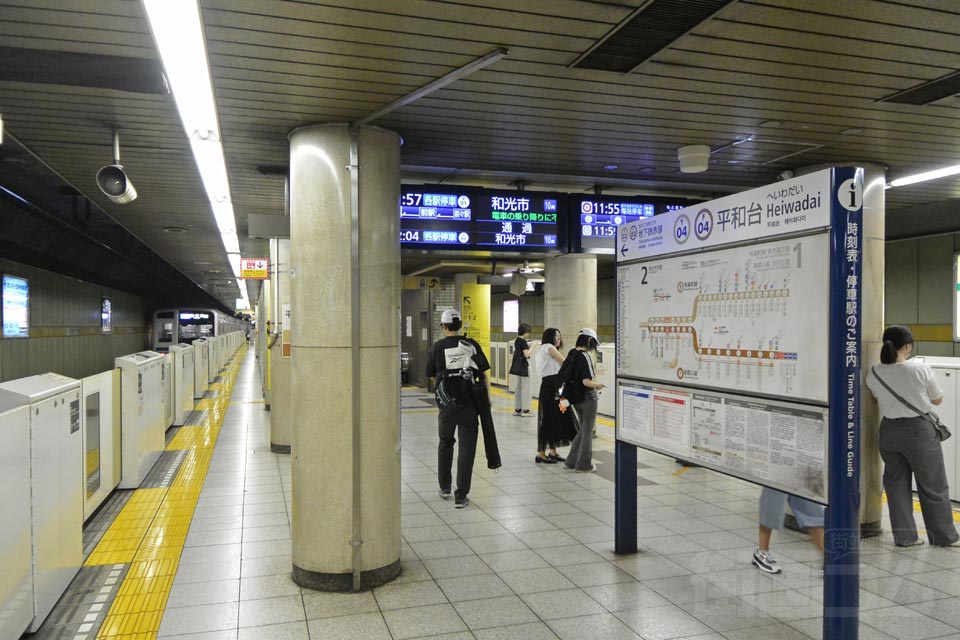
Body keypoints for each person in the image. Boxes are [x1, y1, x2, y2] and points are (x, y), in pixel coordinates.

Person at [865, 325, 959, 547]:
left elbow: (878, 399)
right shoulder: (918, 369)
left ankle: (905, 538)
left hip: (888, 431)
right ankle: (943, 537)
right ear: (907, 346)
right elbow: (937, 400)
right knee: (932, 485)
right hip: (918, 432)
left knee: (896, 486)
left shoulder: (874, 372)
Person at [425, 308, 491, 509]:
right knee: (467, 448)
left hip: (447, 406)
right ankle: (461, 496)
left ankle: (444, 487)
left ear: (444, 327)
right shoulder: (471, 345)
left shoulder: (437, 347)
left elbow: (431, 375)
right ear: (460, 325)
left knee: (445, 443)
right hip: (469, 404)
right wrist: (487, 399)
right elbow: (484, 374)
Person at [752, 487, 825, 574]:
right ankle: (762, 551)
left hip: (798, 475)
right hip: (777, 476)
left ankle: (827, 556)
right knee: (771, 506)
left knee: (813, 510)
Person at [562, 328, 604, 473]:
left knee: (583, 430)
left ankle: (571, 461)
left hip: (575, 399)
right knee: (587, 431)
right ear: (588, 341)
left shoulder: (571, 353)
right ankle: (584, 465)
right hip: (587, 398)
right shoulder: (584, 356)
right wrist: (598, 385)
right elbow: (586, 382)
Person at [533, 327, 571, 464]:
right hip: (550, 386)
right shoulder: (548, 347)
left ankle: (552, 451)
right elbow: (564, 362)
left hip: (552, 386)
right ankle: (541, 453)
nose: (558, 339)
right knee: (548, 420)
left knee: (554, 419)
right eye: (556, 336)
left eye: (559, 336)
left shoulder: (543, 349)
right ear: (549, 337)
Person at [509, 323, 533, 417]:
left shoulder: (517, 340)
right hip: (525, 367)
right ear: (526, 332)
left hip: (518, 367)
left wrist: (528, 345)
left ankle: (518, 409)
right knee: (526, 388)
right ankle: (526, 410)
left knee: (518, 387)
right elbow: (526, 354)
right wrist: (533, 347)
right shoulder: (523, 342)